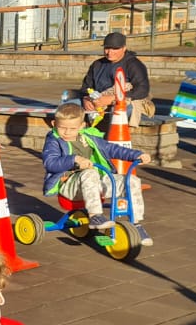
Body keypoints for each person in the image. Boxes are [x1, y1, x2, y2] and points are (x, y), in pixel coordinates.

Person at [43, 102, 153, 246]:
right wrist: (74, 160)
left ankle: (136, 223)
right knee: (89, 173)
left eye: (72, 128)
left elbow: (113, 149)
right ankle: (95, 216)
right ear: (54, 124)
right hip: (69, 187)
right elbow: (50, 163)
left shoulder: (89, 138)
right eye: (62, 127)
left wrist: (137, 155)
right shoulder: (53, 141)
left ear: (82, 126)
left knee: (131, 180)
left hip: (94, 184)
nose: (67, 132)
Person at [79, 31, 153, 128]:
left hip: (124, 102)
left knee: (117, 112)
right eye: (107, 48)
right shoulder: (97, 64)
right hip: (96, 101)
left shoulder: (134, 64)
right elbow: (86, 87)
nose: (110, 52)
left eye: (115, 48)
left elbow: (143, 89)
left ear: (124, 48)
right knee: (69, 107)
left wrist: (113, 98)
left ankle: (111, 141)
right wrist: (86, 99)